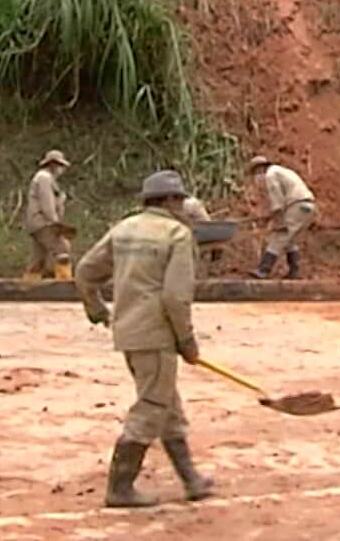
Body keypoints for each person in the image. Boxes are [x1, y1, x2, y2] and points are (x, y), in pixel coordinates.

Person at [74, 170, 214, 508]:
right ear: (167, 201)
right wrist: (187, 340)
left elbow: (84, 272)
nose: (182, 205)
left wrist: (96, 309)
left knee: (167, 404)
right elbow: (176, 297)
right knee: (151, 407)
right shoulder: (177, 235)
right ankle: (120, 488)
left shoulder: (124, 229)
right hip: (157, 334)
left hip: (128, 331)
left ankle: (191, 479)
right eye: (179, 199)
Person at [247, 155, 316, 280]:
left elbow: (277, 202)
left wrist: (278, 222)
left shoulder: (270, 175)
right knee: (289, 240)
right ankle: (294, 270)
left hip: (298, 204)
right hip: (303, 204)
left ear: (260, 169)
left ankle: (263, 270)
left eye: (255, 174)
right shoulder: (278, 171)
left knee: (279, 236)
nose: (256, 178)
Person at [22, 150, 72, 280]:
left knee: (38, 256)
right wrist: (56, 223)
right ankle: (64, 282)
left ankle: (29, 285)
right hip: (43, 222)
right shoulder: (44, 178)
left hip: (36, 222)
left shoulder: (44, 178)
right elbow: (47, 203)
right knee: (62, 248)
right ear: (53, 165)